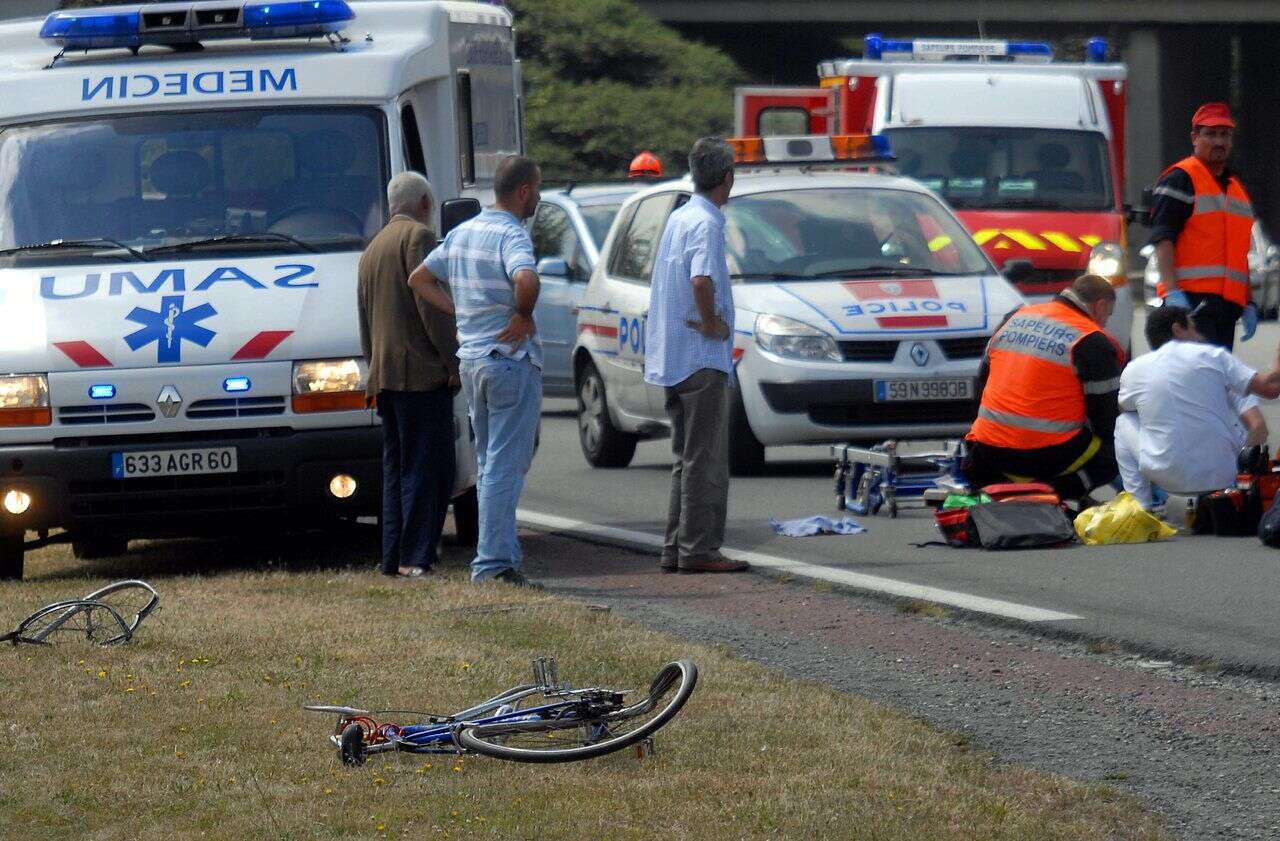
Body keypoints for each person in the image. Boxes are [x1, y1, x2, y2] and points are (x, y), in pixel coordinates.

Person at [408, 156, 543, 586]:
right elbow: (526, 278)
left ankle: (501, 553)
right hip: (507, 360)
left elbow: (419, 278)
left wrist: (458, 309)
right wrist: (522, 314)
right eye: (537, 190)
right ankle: (493, 565)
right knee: (506, 463)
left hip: (472, 361)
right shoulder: (511, 234)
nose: (538, 197)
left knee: (488, 462)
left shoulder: (462, 233)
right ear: (523, 191)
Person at [644, 137, 748, 575]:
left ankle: (677, 546)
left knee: (685, 458)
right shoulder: (706, 223)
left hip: (674, 356)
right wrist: (711, 322)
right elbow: (701, 279)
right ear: (727, 178)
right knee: (706, 459)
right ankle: (700, 549)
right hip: (701, 357)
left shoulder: (680, 216)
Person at [358, 172, 458, 578]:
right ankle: (417, 556)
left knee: (396, 469)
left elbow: (365, 320)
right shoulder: (418, 238)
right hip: (419, 375)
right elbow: (430, 308)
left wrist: (372, 369)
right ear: (423, 204)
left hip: (385, 374)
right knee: (428, 467)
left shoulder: (372, 248)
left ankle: (393, 555)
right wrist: (453, 360)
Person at [963, 274, 1124, 502]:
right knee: (1120, 445)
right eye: (1108, 315)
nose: (1106, 322)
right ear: (1100, 306)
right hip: (1047, 455)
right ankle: (1053, 494)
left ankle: (1005, 488)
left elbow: (982, 383)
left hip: (987, 452)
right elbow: (1106, 419)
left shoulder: (1016, 316)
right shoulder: (1091, 339)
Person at [1115, 305, 1280, 509]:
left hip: (1165, 475)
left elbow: (1127, 409)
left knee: (1124, 421)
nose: (1198, 335)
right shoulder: (1213, 358)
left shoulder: (1134, 370)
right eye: (1193, 328)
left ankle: (1140, 507)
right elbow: (1267, 400)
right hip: (1224, 475)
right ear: (1177, 329)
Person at [1149, 101, 1257, 349]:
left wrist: (1248, 301)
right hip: (1190, 305)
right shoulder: (1180, 179)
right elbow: (1163, 238)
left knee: (1216, 380)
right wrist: (1172, 292)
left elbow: (1240, 254)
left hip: (1226, 309)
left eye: (1225, 135)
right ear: (1194, 137)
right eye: (1210, 134)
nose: (1219, 142)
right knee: (1196, 382)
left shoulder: (1235, 189)